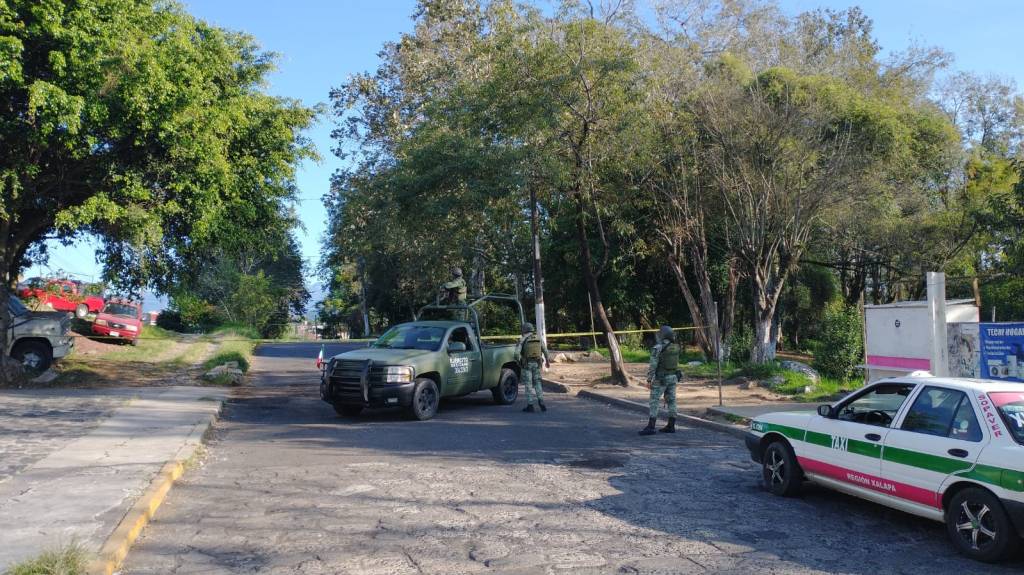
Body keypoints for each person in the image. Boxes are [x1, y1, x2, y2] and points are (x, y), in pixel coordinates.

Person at [639, 325, 680, 435]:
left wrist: (649, 380)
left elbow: (653, 365)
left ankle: (651, 427)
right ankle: (671, 425)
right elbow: (676, 363)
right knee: (671, 401)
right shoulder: (675, 347)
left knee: (654, 401)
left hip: (660, 379)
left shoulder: (658, 348)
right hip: (673, 377)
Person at [519, 322, 550, 412]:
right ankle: (541, 401)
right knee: (537, 383)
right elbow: (545, 351)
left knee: (528, 384)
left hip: (527, 365)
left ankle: (530, 405)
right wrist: (547, 362)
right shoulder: (539, 338)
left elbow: (516, 354)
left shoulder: (523, 339)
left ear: (524, 330)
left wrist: (519, 362)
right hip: (537, 364)